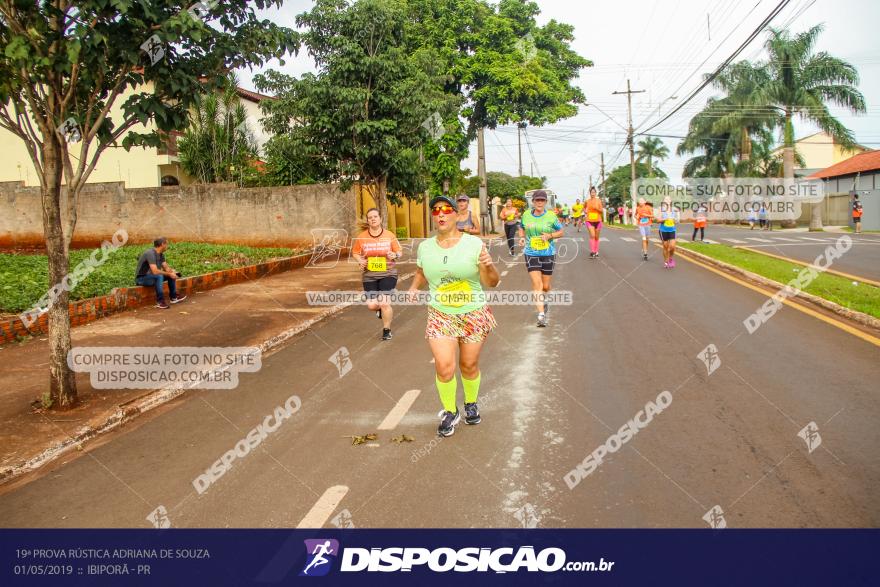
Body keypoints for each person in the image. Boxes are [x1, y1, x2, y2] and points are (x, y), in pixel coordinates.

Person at [408, 195, 500, 437]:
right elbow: (421, 270)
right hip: (440, 314)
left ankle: (471, 403)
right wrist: (414, 287)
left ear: (457, 216)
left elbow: (492, 282)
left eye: (446, 210)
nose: (440, 214)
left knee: (468, 365)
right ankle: (450, 410)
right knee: (444, 366)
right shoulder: (425, 247)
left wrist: (490, 266)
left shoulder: (474, 244)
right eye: (435, 210)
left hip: (473, 313)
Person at [351, 208, 402, 341]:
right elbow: (355, 252)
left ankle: (386, 330)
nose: (373, 219)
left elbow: (399, 252)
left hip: (388, 273)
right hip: (369, 275)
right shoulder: (362, 237)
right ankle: (380, 310)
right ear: (368, 221)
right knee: (372, 305)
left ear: (380, 218)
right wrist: (360, 260)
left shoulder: (389, 235)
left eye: (375, 216)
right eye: (370, 217)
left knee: (384, 302)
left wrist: (394, 254)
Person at [518, 190, 564, 327]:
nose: (539, 202)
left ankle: (545, 301)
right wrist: (521, 238)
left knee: (545, 286)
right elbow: (521, 228)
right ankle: (541, 315)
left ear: (545, 202)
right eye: (537, 200)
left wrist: (550, 236)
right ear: (533, 202)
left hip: (548, 254)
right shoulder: (526, 215)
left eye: (542, 200)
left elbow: (561, 232)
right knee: (536, 284)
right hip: (531, 253)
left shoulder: (551, 216)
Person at [135, 237, 186, 309]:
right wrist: (169, 273)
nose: (167, 246)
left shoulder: (161, 254)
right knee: (159, 276)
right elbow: (155, 271)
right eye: (167, 244)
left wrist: (172, 272)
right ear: (162, 244)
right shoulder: (150, 253)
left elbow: (166, 267)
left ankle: (174, 297)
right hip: (142, 279)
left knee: (169, 275)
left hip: (153, 277)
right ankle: (160, 301)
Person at [656, 196, 679, 268]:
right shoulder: (660, 209)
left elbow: (677, 221)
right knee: (665, 247)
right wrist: (665, 219)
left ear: (671, 201)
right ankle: (666, 261)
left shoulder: (674, 209)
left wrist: (674, 220)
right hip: (663, 230)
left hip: (672, 230)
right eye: (665, 199)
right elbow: (658, 221)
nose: (667, 201)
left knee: (672, 246)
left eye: (669, 199)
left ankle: (671, 259)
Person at [585, 187, 604, 259]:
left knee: (596, 237)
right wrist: (585, 211)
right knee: (592, 235)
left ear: (595, 193)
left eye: (594, 192)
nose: (592, 194)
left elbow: (601, 211)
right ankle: (592, 252)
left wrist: (597, 209)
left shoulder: (598, 201)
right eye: (591, 192)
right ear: (590, 193)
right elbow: (584, 207)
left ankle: (596, 251)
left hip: (598, 221)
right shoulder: (587, 201)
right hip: (589, 220)